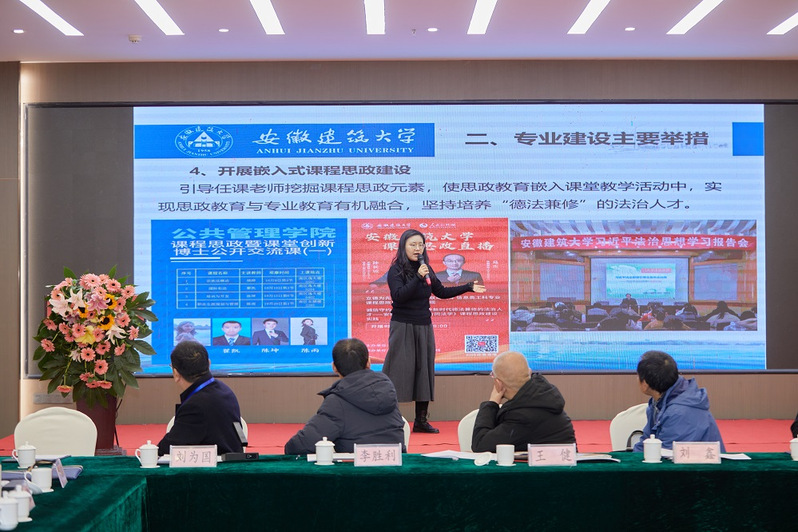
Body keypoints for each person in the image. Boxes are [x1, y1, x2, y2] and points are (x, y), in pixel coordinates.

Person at [382, 229, 487, 433]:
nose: (417, 248)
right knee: (398, 369)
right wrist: (417, 277)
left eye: (420, 244)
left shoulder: (426, 268)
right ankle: (389, 419)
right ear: (403, 247)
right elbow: (399, 296)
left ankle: (421, 421)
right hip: (402, 326)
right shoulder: (396, 270)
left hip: (424, 325)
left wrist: (467, 287)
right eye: (413, 244)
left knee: (424, 370)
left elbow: (441, 292)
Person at [284, 338, 404, 454]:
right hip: (398, 465)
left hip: (357, 467)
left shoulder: (336, 402)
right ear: (369, 362)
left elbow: (300, 445)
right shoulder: (386, 389)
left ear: (334, 367)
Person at [471, 351, 576, 452]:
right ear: (529, 372)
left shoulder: (522, 417)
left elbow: (480, 443)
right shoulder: (543, 399)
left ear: (498, 383)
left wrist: (492, 403)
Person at [157, 341, 243, 455]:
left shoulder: (195, 406)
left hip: (215, 464)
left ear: (176, 373)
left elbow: (166, 449)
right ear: (209, 364)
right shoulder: (224, 389)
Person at [632, 350, 725, 452]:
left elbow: (666, 454)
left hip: (698, 461)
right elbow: (646, 442)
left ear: (645, 384)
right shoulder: (658, 402)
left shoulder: (679, 412)